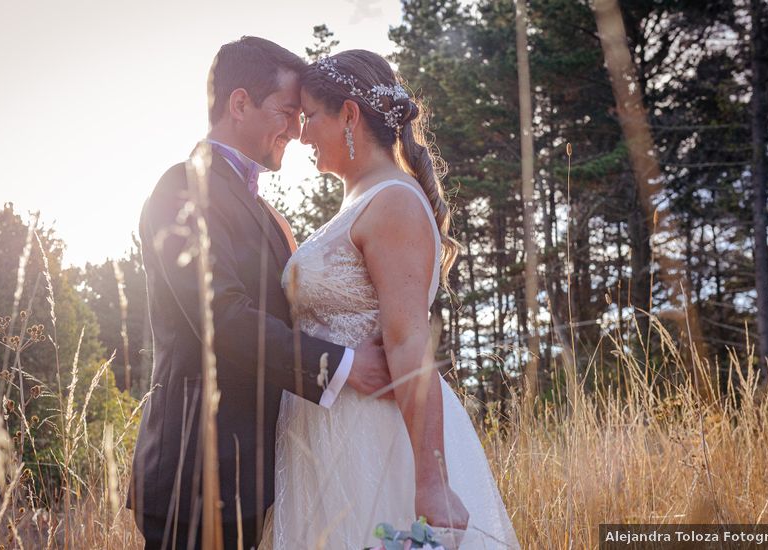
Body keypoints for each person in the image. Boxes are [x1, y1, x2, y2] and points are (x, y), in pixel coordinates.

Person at [127, 37, 392, 550]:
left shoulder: (266, 213)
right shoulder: (180, 187)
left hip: (252, 475)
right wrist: (340, 365)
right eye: (288, 111)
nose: (297, 129)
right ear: (240, 103)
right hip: (195, 475)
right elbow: (220, 316)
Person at [261, 50, 521, 549]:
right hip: (326, 434)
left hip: (372, 438)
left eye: (311, 116)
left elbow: (407, 342)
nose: (302, 132)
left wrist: (432, 480)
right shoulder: (361, 196)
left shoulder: (394, 201)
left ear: (350, 116)